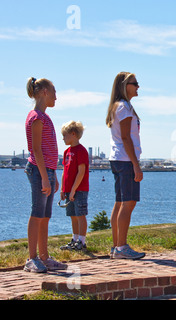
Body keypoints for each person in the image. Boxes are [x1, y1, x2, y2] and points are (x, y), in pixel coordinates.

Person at [24, 77, 67, 273]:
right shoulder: (37, 118)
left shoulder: (44, 116)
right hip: (39, 171)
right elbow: (37, 150)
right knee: (37, 214)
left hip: (46, 171)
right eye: (54, 92)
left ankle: (44, 257)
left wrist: (53, 175)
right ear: (44, 92)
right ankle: (32, 259)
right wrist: (43, 176)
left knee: (45, 216)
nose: (56, 97)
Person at [106, 72, 145, 260]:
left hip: (118, 159)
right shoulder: (124, 107)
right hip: (125, 160)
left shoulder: (120, 106)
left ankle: (116, 246)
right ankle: (121, 247)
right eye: (134, 83)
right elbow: (126, 138)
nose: (138, 86)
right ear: (124, 86)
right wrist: (136, 165)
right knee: (128, 203)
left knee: (120, 202)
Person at [59, 121, 89, 251]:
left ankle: (82, 241)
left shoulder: (81, 151)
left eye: (65, 135)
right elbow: (65, 171)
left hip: (79, 189)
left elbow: (81, 172)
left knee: (80, 215)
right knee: (72, 215)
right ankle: (74, 239)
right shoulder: (66, 152)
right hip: (68, 190)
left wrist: (73, 190)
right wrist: (62, 189)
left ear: (73, 134)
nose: (63, 138)